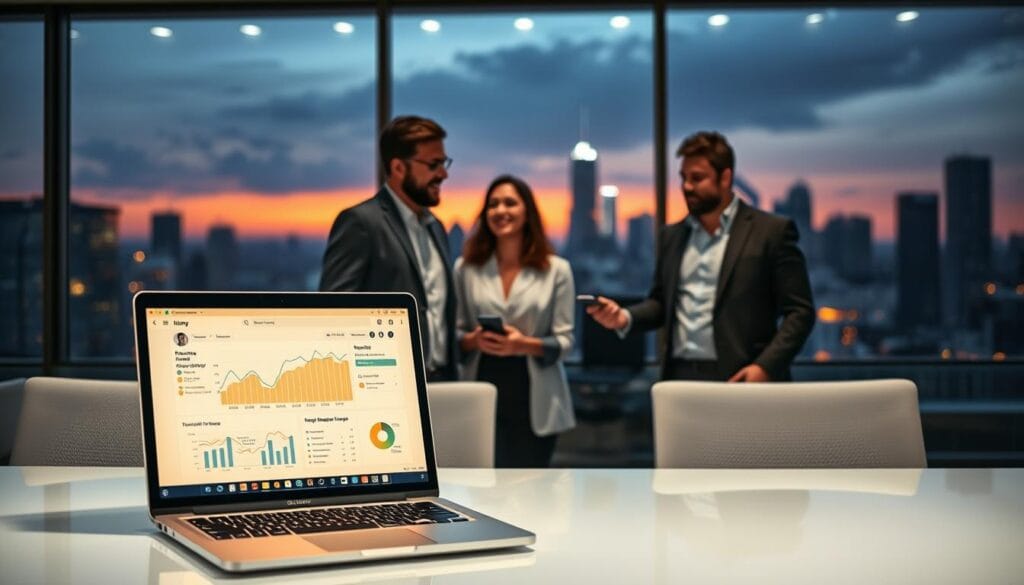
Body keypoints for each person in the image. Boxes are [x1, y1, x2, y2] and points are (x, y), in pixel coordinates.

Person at [587, 131, 814, 381]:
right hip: (679, 376)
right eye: (683, 177)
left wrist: (765, 367)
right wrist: (624, 317)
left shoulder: (771, 232)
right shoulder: (671, 236)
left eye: (697, 178)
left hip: (743, 377)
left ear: (725, 178)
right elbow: (661, 303)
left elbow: (800, 312)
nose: (686, 186)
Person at [319, 115, 457, 381]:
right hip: (387, 384)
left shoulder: (437, 228)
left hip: (442, 383)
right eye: (434, 164)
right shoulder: (360, 222)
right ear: (398, 168)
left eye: (444, 163)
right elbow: (333, 312)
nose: (443, 174)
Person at [455, 175, 576, 467]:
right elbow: (454, 334)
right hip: (482, 389)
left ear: (527, 211)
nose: (500, 210)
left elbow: (565, 342)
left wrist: (522, 345)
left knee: (533, 487)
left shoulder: (557, 270)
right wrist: (474, 340)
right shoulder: (465, 269)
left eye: (510, 203)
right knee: (483, 486)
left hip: (536, 399)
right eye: (493, 204)